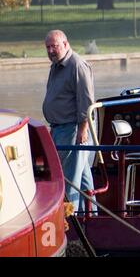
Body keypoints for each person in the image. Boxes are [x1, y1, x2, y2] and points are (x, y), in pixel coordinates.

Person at [42, 30, 97, 213]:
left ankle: (71, 219)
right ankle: (90, 216)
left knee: (69, 178)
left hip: (73, 129)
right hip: (60, 128)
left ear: (65, 44)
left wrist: (83, 129)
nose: (50, 50)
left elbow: (87, 100)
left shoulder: (77, 65)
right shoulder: (56, 65)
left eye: (54, 46)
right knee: (82, 176)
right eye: (48, 47)